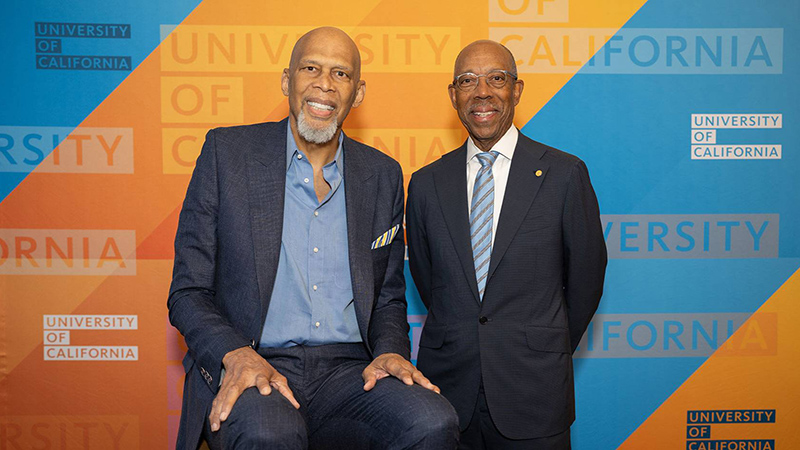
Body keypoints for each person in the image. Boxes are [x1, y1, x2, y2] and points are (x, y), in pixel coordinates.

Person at [168, 27, 458, 450]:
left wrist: (391, 350)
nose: (325, 83)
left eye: (341, 74)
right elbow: (188, 292)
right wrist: (235, 354)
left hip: (348, 371)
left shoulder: (382, 175)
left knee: (432, 421)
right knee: (271, 433)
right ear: (288, 81)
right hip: (257, 361)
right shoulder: (227, 154)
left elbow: (388, 297)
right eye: (311, 68)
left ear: (357, 94)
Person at [406, 40, 607, 449]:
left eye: (497, 78)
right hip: (448, 394)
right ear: (453, 95)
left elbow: (586, 280)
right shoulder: (425, 183)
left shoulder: (564, 174)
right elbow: (430, 282)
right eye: (467, 81)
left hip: (534, 392)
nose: (482, 92)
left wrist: (539, 344)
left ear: (516, 90)